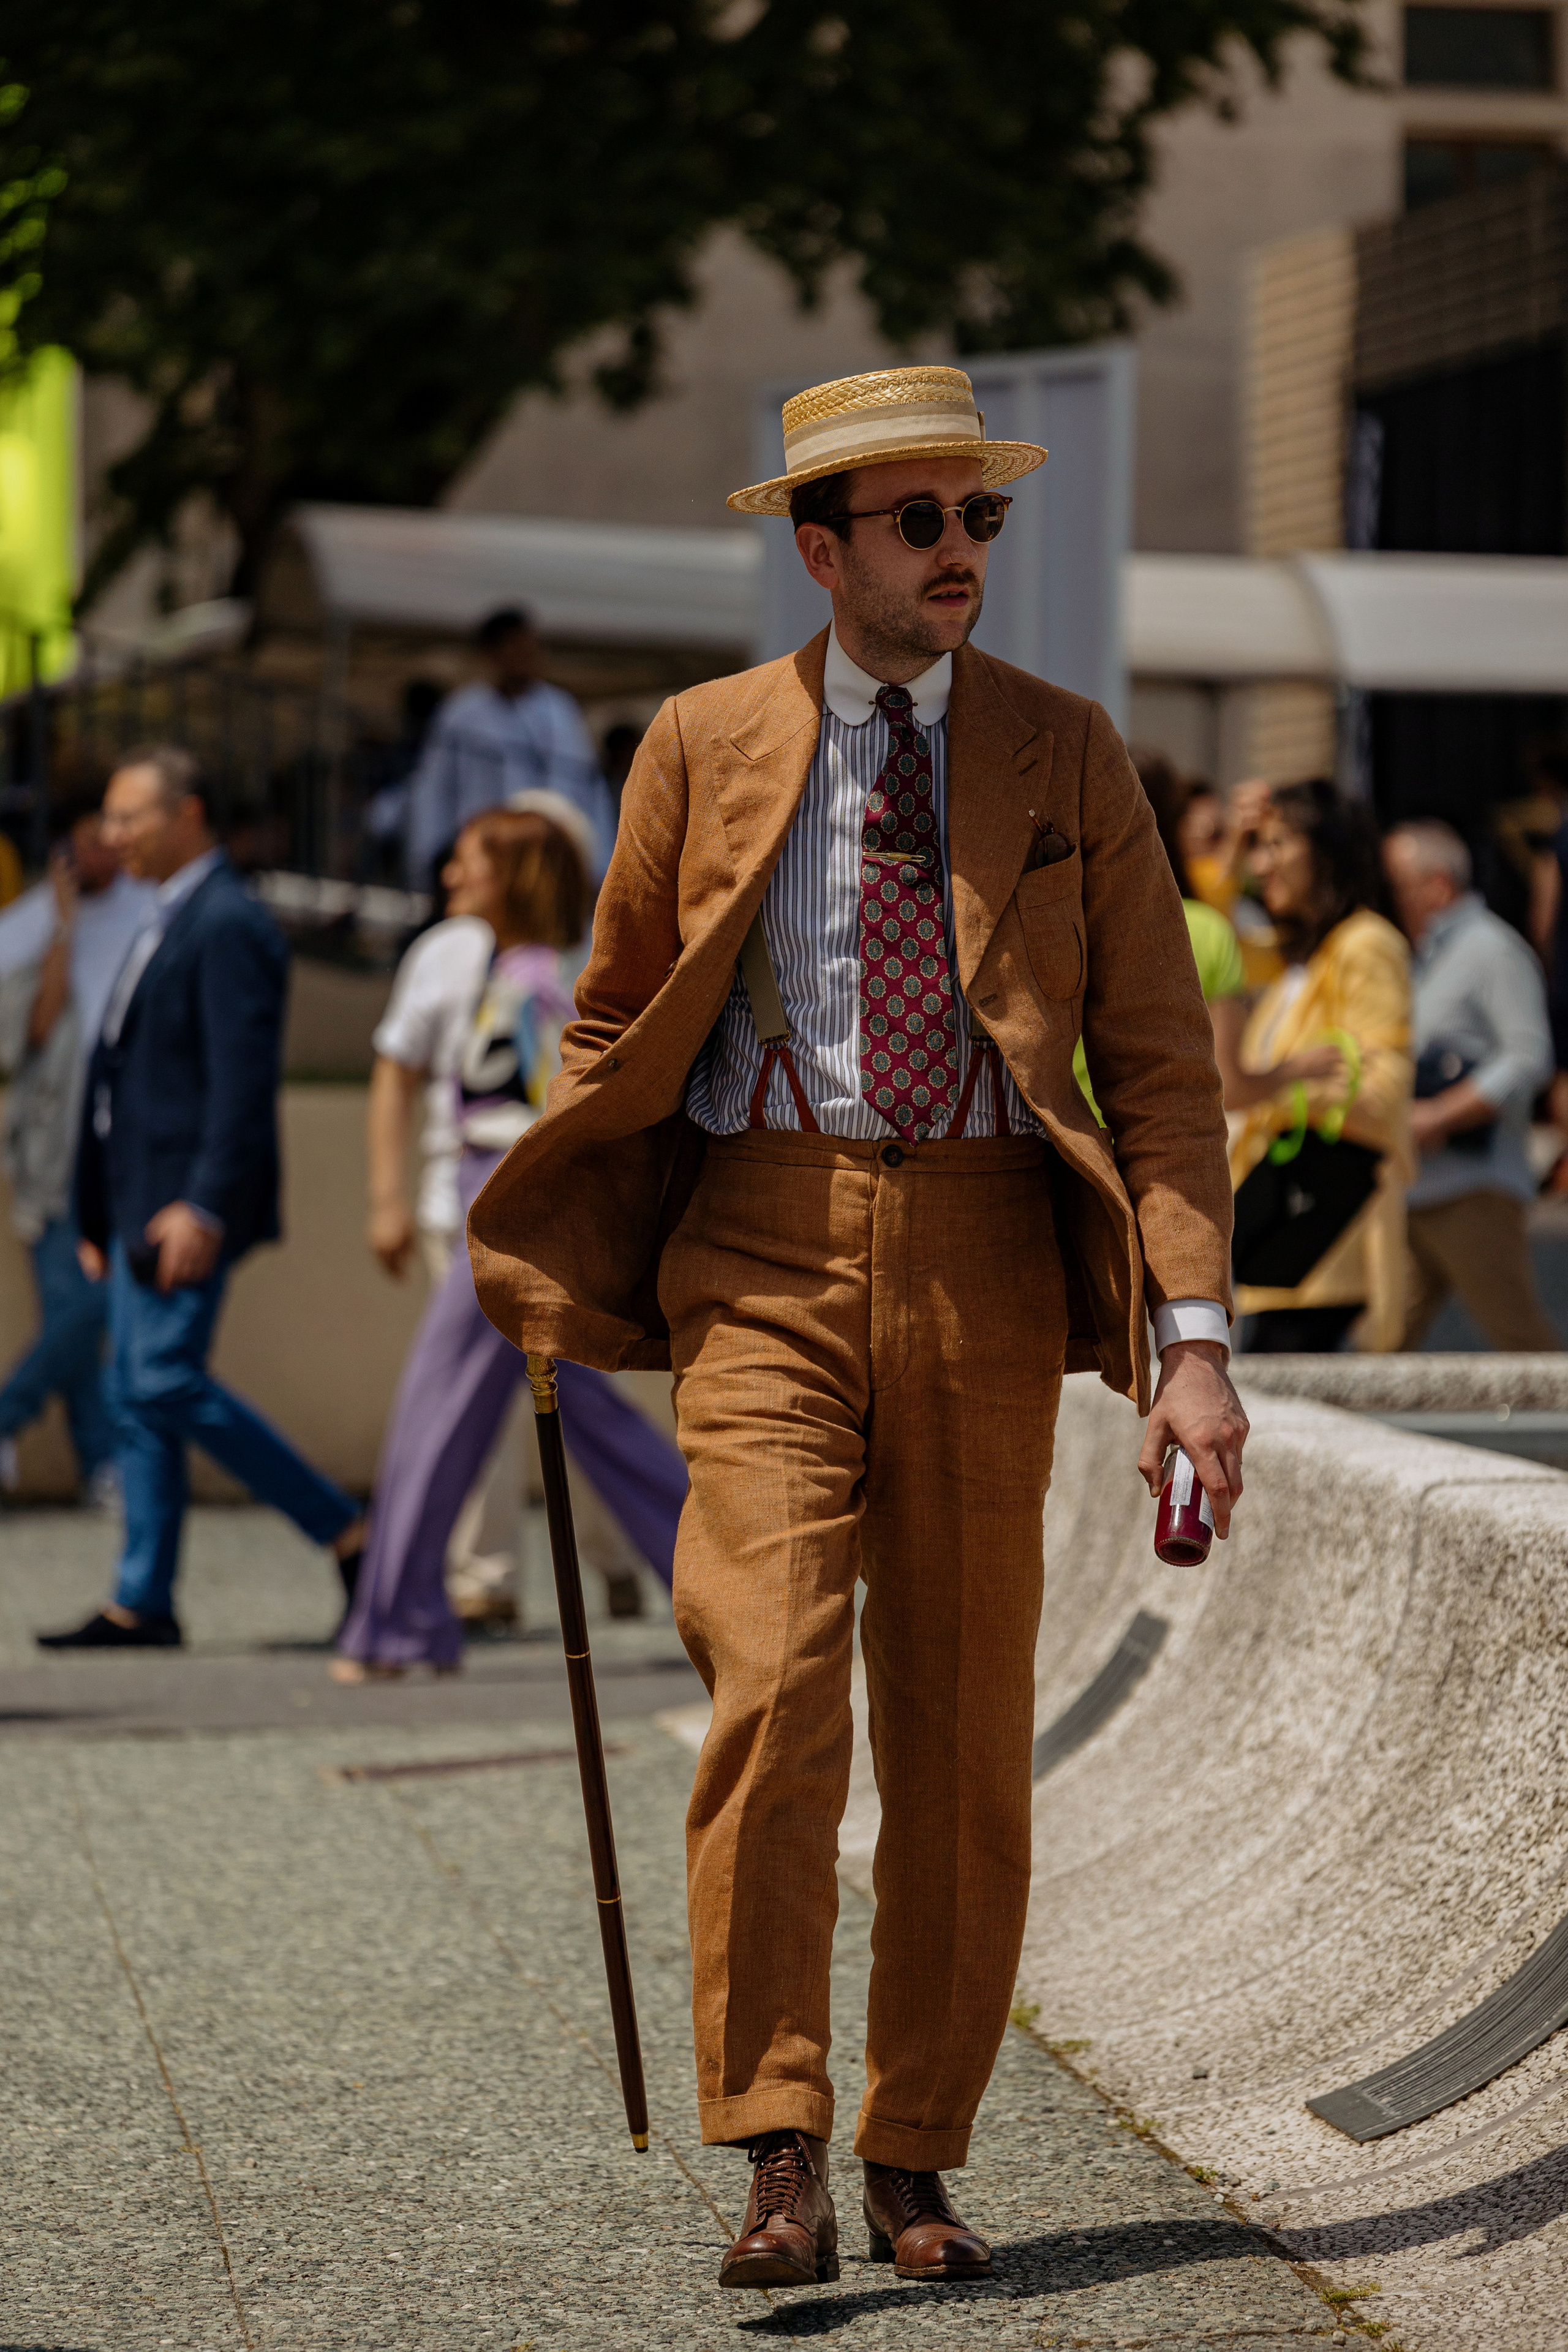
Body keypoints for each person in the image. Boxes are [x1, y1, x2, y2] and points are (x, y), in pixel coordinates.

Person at [467, 364, 1245, 2291]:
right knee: (772, 1683)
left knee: (965, 1736)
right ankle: (778, 2141)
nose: (960, 550)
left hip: (992, 1247)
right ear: (821, 548)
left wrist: (1198, 1341)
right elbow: (610, 1015)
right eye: (919, 521)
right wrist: (566, 1225)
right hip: (760, 1243)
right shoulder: (701, 737)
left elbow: (1158, 1063)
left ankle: (916, 2150)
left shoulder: (1070, 756)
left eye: (979, 518)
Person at [337, 809, 688, 1679]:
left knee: (438, 1409)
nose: (451, 875)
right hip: (509, 1203)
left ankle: (401, 1627)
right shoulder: (520, 969)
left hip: (507, 1206)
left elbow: (526, 1114)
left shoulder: (539, 980)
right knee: (588, 1414)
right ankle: (724, 1582)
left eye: (470, 863)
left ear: (516, 877)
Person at [36, 746, 366, 1651]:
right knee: (136, 1394)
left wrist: (206, 1206)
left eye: (129, 817)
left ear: (188, 816)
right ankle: (143, 1600)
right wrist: (100, 1212)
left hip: (184, 1205)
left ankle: (347, 1531)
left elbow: (239, 1085)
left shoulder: (228, 925)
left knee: (160, 1380)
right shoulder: (163, 915)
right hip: (139, 1203)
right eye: (107, 818)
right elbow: (121, 1083)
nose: (112, 837)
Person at [0, 802, 154, 1498]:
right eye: (87, 840)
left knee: (100, 1300)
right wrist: (60, 923)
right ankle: (101, 1464)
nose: (102, 852)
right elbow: (33, 1031)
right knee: (72, 1304)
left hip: (131, 1138)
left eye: (110, 838)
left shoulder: (152, 910)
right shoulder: (32, 923)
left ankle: (9, 1419)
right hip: (57, 1148)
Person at [1228, 779, 1413, 1354]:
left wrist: (1270, 1090)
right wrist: (1231, 848)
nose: (1262, 864)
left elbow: (1385, 1092)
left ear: (1326, 849)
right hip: (1279, 1235)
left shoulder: (1365, 944)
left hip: (1326, 1243)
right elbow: (1197, 935)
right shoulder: (1292, 956)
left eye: (1278, 843)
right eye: (1257, 847)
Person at [1384, 820, 1558, 1350]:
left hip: (1473, 1190)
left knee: (1523, 1346)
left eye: (1397, 883)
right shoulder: (1426, 955)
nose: (1389, 896)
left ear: (1436, 884)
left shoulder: (1492, 950)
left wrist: (1440, 1116)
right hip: (1421, 1187)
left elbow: (1529, 1056)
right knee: (1378, 1349)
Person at [1074, 753, 1247, 1125]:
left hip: (1065, 1147)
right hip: (1164, 1152)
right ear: (1174, 821)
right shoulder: (1209, 931)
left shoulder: (1057, 922)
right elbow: (1229, 1087)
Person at [405, 607, 616, 888]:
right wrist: (429, 856)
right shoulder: (462, 713)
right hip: (479, 857)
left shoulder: (560, 710)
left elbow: (587, 790)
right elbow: (434, 790)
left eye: (530, 647)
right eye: (514, 647)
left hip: (544, 861)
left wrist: (597, 867)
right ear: (492, 653)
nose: (525, 656)